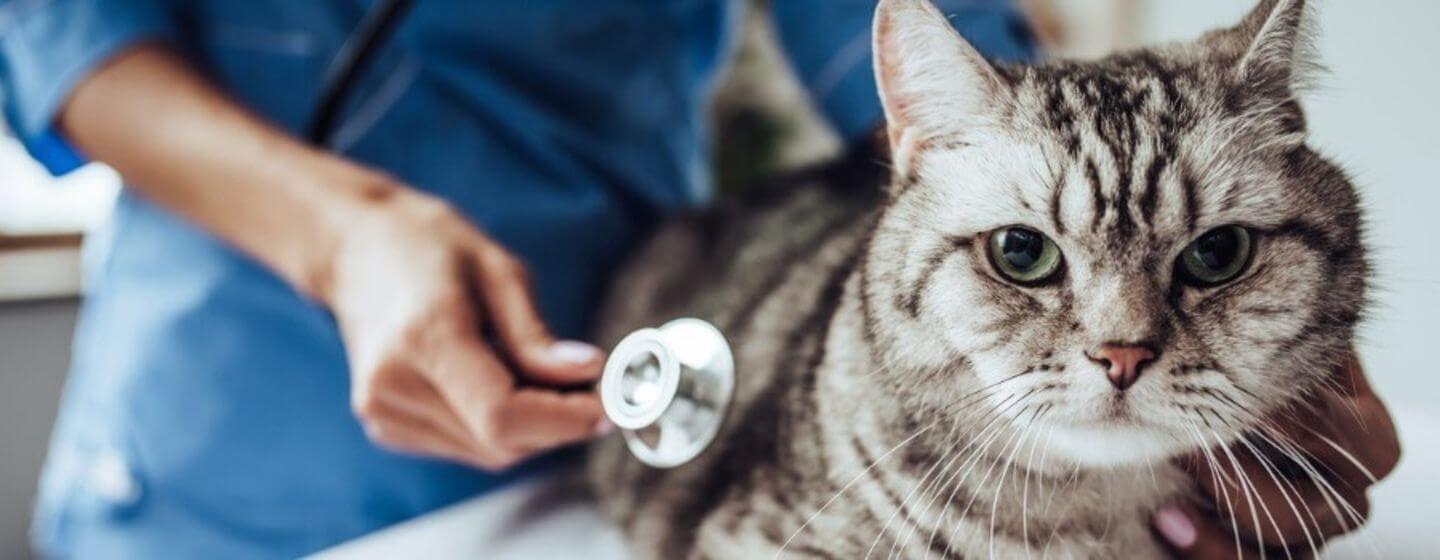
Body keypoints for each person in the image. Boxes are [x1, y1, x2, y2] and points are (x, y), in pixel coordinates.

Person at [0, 1, 1396, 558]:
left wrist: (1283, 367)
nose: (1120, 338)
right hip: (227, 396)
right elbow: (59, 27)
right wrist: (344, 229)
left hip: (634, 336)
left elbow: (926, 33)